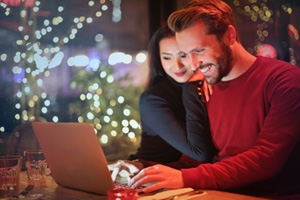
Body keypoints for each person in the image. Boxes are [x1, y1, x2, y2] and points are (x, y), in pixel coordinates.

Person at [128, 0, 300, 196]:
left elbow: (266, 158)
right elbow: (197, 162)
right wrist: (140, 169)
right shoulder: (208, 86)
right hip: (215, 193)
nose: (192, 64)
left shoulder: (285, 80)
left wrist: (184, 178)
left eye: (199, 50)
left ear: (229, 36)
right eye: (186, 54)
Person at [108, 24, 216, 179]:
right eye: (167, 57)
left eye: (183, 55)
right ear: (159, 60)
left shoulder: (208, 86)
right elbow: (200, 153)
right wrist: (192, 86)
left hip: (181, 178)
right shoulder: (153, 99)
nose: (177, 66)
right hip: (145, 178)